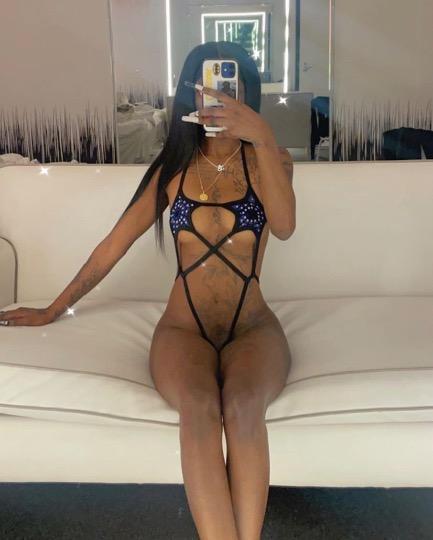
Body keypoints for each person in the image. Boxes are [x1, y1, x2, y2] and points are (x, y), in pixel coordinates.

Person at [0, 41, 296, 540]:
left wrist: (263, 136)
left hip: (252, 327)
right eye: (207, 87)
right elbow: (112, 246)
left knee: (244, 407)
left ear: (249, 94)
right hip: (184, 330)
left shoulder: (273, 159)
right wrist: (53, 309)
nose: (220, 97)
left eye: (232, 86)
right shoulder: (171, 168)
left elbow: (284, 226)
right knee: (199, 409)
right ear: (190, 96)